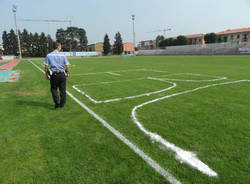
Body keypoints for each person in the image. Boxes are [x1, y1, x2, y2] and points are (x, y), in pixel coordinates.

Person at [44, 42, 70, 109]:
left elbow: (46, 67)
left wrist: (46, 75)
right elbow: (67, 66)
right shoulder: (63, 55)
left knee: (53, 89)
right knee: (63, 89)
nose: (61, 47)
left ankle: (57, 102)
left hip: (54, 74)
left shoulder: (49, 55)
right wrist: (67, 74)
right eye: (60, 46)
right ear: (58, 46)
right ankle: (62, 104)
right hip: (62, 74)